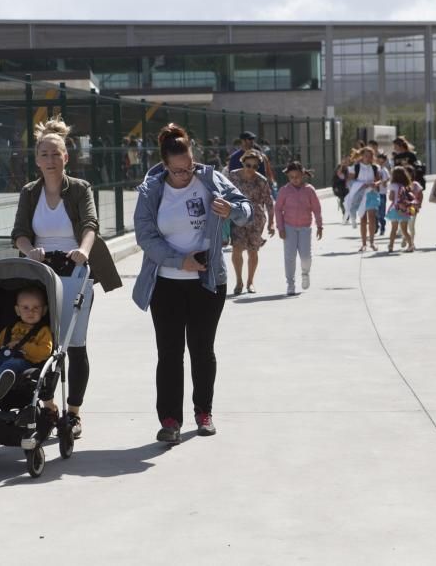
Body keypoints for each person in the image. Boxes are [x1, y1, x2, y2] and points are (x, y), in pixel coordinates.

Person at [133, 123, 252, 444]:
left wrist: (232, 209)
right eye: (177, 171)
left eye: (188, 168)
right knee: (169, 353)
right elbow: (145, 236)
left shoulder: (211, 179)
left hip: (208, 280)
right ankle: (170, 419)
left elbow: (246, 210)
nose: (185, 176)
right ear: (164, 165)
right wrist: (178, 261)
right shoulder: (150, 191)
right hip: (166, 283)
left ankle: (204, 412)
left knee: (202, 349)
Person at [11, 116, 123, 438]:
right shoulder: (30, 193)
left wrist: (84, 251)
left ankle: (73, 413)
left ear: (66, 157)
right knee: (41, 342)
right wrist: (29, 250)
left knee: (74, 344)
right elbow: (19, 232)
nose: (50, 160)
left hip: (75, 269)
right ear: (36, 159)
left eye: (55, 154)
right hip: (40, 271)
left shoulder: (80, 189)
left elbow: (90, 225)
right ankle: (47, 407)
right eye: (44, 154)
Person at [228, 149, 275, 294]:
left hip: (256, 218)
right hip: (237, 216)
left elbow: (268, 202)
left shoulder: (261, 180)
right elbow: (223, 194)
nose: (251, 169)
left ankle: (250, 282)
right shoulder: (233, 176)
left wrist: (271, 223)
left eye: (255, 166)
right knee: (237, 248)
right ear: (243, 162)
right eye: (248, 165)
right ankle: (239, 282)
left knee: (253, 251)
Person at [275, 161, 323, 295]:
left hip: (305, 228)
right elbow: (278, 209)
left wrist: (320, 225)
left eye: (297, 176)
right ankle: (290, 284)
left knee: (306, 257)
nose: (294, 179)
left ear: (303, 175)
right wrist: (280, 228)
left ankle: (305, 273)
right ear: (288, 177)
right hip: (288, 227)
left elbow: (317, 209)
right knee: (289, 257)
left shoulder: (309, 190)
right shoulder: (284, 190)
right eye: (291, 177)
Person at [344, 147, 385, 252]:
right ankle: (363, 244)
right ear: (362, 155)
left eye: (370, 156)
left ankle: (372, 242)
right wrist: (361, 185)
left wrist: (374, 184)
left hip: (372, 193)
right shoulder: (356, 167)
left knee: (372, 217)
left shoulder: (375, 167)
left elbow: (379, 180)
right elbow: (349, 180)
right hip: (360, 195)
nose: (368, 158)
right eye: (366, 155)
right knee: (363, 219)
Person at [386, 166, 416, 252]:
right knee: (405, 230)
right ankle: (411, 245)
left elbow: (391, 198)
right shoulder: (406, 185)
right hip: (404, 209)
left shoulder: (392, 185)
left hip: (395, 209)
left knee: (394, 229)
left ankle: (391, 246)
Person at [376, 153, 390, 235]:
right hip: (376, 192)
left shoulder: (385, 170)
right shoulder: (375, 169)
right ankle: (376, 225)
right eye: (378, 159)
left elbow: (388, 178)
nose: (379, 161)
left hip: (382, 193)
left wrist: (384, 182)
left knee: (382, 212)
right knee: (376, 211)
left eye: (381, 159)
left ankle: (382, 227)